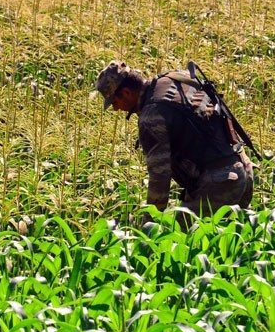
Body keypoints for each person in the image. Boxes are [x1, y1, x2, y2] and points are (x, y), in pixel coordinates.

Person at [96, 61, 253, 226]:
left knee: (178, 237)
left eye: (114, 102)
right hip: (243, 169)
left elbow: (160, 177)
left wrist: (149, 225)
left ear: (126, 93)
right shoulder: (175, 77)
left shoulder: (151, 117)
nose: (116, 109)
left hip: (219, 185)